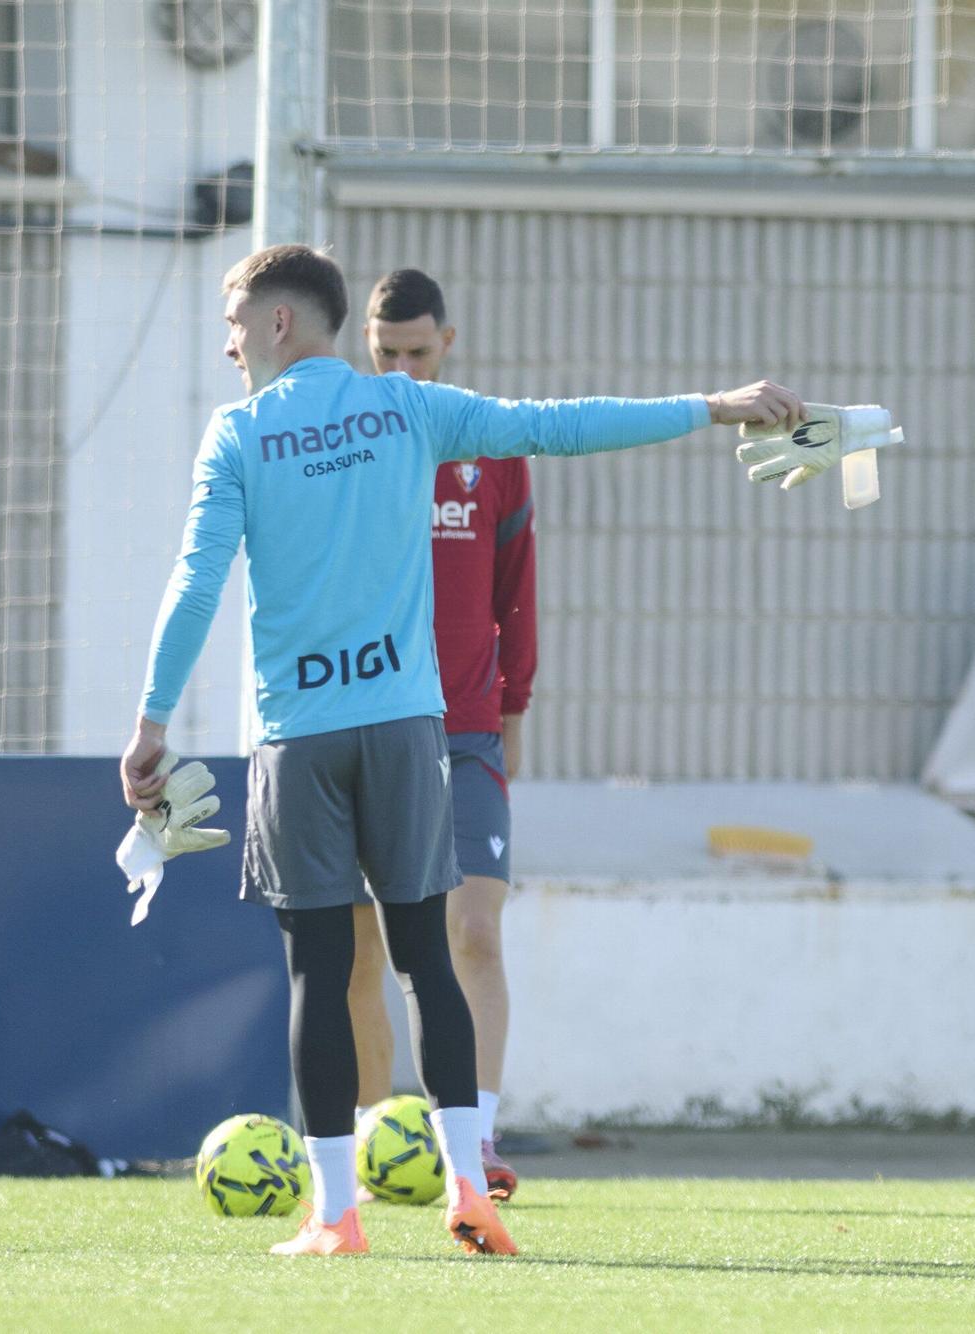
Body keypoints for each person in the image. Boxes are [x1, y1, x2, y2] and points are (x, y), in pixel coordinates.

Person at [120, 243, 802, 1258]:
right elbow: (559, 424)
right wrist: (711, 405)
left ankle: (336, 1215)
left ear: (278, 323)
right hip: (407, 730)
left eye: (233, 322)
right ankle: (469, 1190)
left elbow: (195, 579)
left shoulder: (238, 435)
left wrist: (150, 722)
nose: (226, 345)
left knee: (319, 972)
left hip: (299, 739)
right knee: (426, 961)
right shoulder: (408, 409)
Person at [349, 269, 530, 1200]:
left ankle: (480, 1140)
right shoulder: (341, 445)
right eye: (387, 353)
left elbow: (515, 593)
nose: (403, 370)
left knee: (475, 932)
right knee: (360, 949)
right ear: (365, 346)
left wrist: (513, 713)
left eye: (418, 352)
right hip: (361, 727)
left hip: (465, 733)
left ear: (447, 344)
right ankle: (369, 1141)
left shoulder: (490, 446)